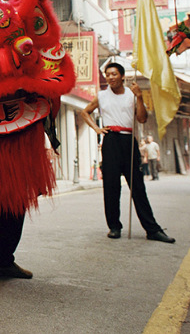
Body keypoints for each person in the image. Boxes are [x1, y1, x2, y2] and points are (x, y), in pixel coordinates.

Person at [80, 63, 174, 243]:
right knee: (111, 186)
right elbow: (85, 112)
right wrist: (97, 129)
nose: (110, 77)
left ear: (122, 76)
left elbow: (142, 118)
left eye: (114, 74)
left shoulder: (132, 95)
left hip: (128, 140)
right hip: (110, 141)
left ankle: (152, 229)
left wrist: (139, 97)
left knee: (137, 186)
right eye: (108, 74)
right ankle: (114, 227)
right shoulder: (101, 96)